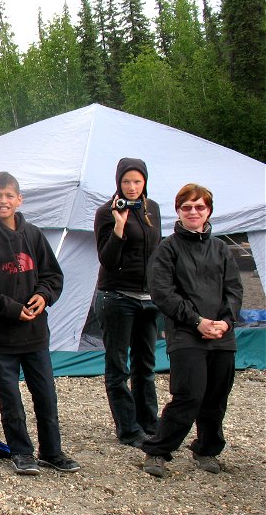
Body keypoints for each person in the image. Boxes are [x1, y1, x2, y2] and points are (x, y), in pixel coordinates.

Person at [0, 172, 81, 476]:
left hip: (36, 334)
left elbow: (52, 276)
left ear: (19, 199)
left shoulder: (34, 235)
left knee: (45, 394)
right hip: (2, 336)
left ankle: (52, 452)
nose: (4, 201)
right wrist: (13, 309)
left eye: (9, 195)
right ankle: (21, 452)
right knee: (10, 397)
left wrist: (43, 296)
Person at [142, 184, 242, 478]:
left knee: (216, 397)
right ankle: (158, 450)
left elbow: (234, 289)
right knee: (189, 394)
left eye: (199, 207)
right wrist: (197, 321)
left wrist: (226, 321)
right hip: (186, 333)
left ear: (208, 210)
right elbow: (162, 291)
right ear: (178, 211)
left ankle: (207, 449)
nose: (193, 212)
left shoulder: (221, 249)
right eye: (187, 207)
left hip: (222, 334)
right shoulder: (167, 249)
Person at [93, 158, 163, 448]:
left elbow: (157, 250)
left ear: (145, 182)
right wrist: (119, 229)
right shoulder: (106, 213)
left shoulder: (153, 209)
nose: (132, 188)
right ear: (118, 183)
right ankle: (128, 429)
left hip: (149, 299)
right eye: (126, 182)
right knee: (118, 367)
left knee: (145, 364)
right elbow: (107, 260)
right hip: (117, 297)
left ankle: (149, 422)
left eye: (137, 181)